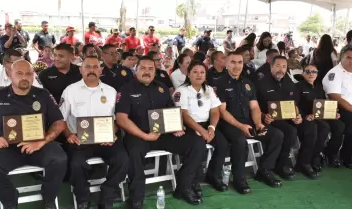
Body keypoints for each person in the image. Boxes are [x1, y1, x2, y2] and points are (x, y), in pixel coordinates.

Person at [116, 56, 206, 208]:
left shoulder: (162, 88)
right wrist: (144, 135)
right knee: (133, 154)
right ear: (135, 70)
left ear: (155, 71)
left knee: (197, 144)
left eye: (151, 68)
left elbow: (171, 110)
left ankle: (183, 186)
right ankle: (136, 197)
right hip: (138, 135)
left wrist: (176, 126)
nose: (147, 72)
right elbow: (121, 119)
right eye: (143, 68)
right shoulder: (126, 89)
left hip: (164, 134)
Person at [0, 60, 67, 209]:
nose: (24, 77)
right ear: (10, 75)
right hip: (8, 147)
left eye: (29, 73)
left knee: (59, 159)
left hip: (38, 145)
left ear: (33, 76)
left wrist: (42, 142)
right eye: (19, 73)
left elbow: (59, 123)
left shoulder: (43, 95)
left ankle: (49, 197)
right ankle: (10, 200)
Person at [60, 56, 128, 209]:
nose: (92, 70)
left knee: (122, 160)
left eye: (95, 67)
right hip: (79, 139)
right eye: (88, 67)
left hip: (106, 139)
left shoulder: (111, 92)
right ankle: (83, 197)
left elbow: (116, 119)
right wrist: (69, 135)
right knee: (76, 164)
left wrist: (112, 133)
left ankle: (107, 195)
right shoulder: (70, 91)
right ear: (81, 70)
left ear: (101, 70)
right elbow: (61, 119)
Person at [216, 52, 283, 192]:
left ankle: (264, 171)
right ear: (226, 64)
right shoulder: (219, 83)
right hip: (228, 123)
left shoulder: (248, 83)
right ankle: (239, 178)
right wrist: (241, 126)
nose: (237, 66)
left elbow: (254, 107)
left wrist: (258, 123)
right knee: (240, 140)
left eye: (240, 62)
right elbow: (222, 111)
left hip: (249, 121)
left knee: (276, 135)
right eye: (233, 62)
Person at [0, 49, 43, 183]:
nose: (18, 66)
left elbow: (41, 98)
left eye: (21, 62)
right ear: (4, 63)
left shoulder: (30, 77)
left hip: (25, 121)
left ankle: (35, 167)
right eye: (14, 63)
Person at [255, 56, 317, 179]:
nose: (281, 69)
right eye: (278, 66)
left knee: (311, 127)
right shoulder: (260, 83)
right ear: (271, 66)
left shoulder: (289, 82)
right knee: (290, 131)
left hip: (288, 117)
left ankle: (304, 162)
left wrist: (298, 115)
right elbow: (254, 106)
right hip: (270, 119)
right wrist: (263, 116)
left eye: (284, 67)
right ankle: (281, 165)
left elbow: (294, 104)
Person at [172, 60, 228, 196]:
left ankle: (214, 176)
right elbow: (184, 115)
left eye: (202, 72)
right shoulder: (182, 91)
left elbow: (215, 111)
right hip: (189, 126)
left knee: (223, 144)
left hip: (206, 125)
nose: (199, 75)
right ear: (188, 74)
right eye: (195, 72)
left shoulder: (208, 90)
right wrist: (201, 131)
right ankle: (193, 182)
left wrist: (212, 128)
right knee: (198, 148)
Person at [296, 65, 344, 170]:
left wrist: (333, 113)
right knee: (324, 127)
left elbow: (324, 104)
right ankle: (314, 157)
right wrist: (304, 116)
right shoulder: (298, 86)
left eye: (314, 71)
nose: (311, 74)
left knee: (339, 126)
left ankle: (329, 153)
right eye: (307, 71)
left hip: (321, 116)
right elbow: (295, 105)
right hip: (307, 117)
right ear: (303, 73)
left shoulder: (319, 86)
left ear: (317, 74)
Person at [322, 47, 352, 169]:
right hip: (340, 109)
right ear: (341, 58)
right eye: (348, 58)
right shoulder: (334, 73)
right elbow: (336, 98)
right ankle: (346, 156)